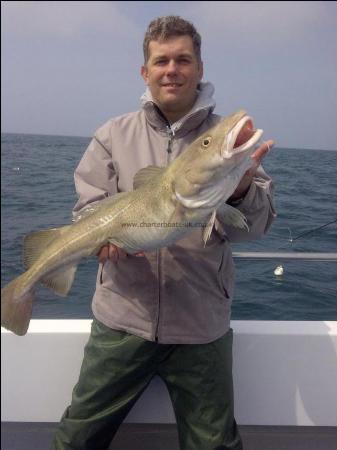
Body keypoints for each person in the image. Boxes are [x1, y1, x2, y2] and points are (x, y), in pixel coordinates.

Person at [51, 15, 276, 450]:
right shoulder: (112, 135)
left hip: (201, 326)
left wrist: (243, 186)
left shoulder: (228, 150)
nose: (171, 70)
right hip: (122, 320)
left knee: (214, 446)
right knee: (76, 439)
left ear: (200, 68)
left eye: (183, 59)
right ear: (145, 71)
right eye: (161, 61)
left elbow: (257, 227)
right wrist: (104, 242)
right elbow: (89, 208)